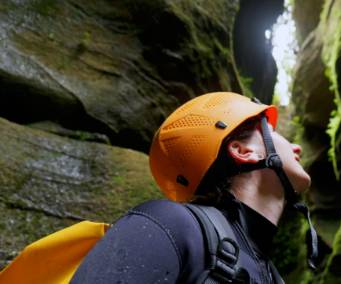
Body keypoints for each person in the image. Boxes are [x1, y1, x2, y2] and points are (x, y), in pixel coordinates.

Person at [71, 92, 318, 283]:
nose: (296, 146)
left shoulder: (272, 275)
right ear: (243, 151)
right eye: (272, 130)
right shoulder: (172, 224)